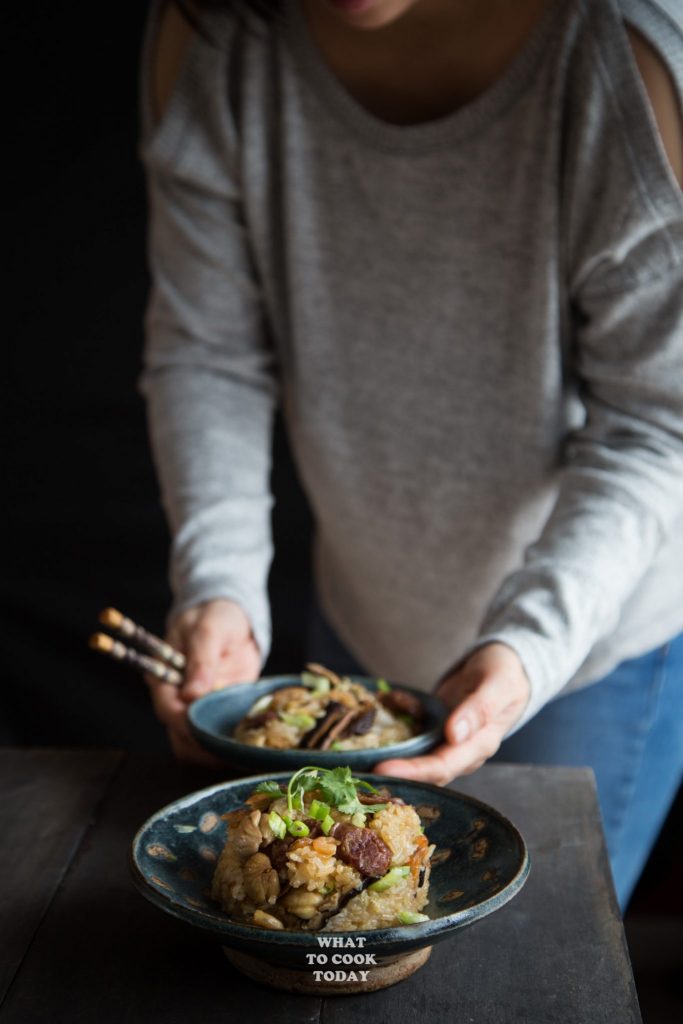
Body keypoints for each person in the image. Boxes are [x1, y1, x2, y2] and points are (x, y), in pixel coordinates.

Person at [138, 0, 683, 908]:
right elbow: (209, 354)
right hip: (356, 628)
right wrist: (218, 582)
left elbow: (656, 423)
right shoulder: (211, 31)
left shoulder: (624, 54)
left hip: (588, 651)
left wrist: (528, 645)